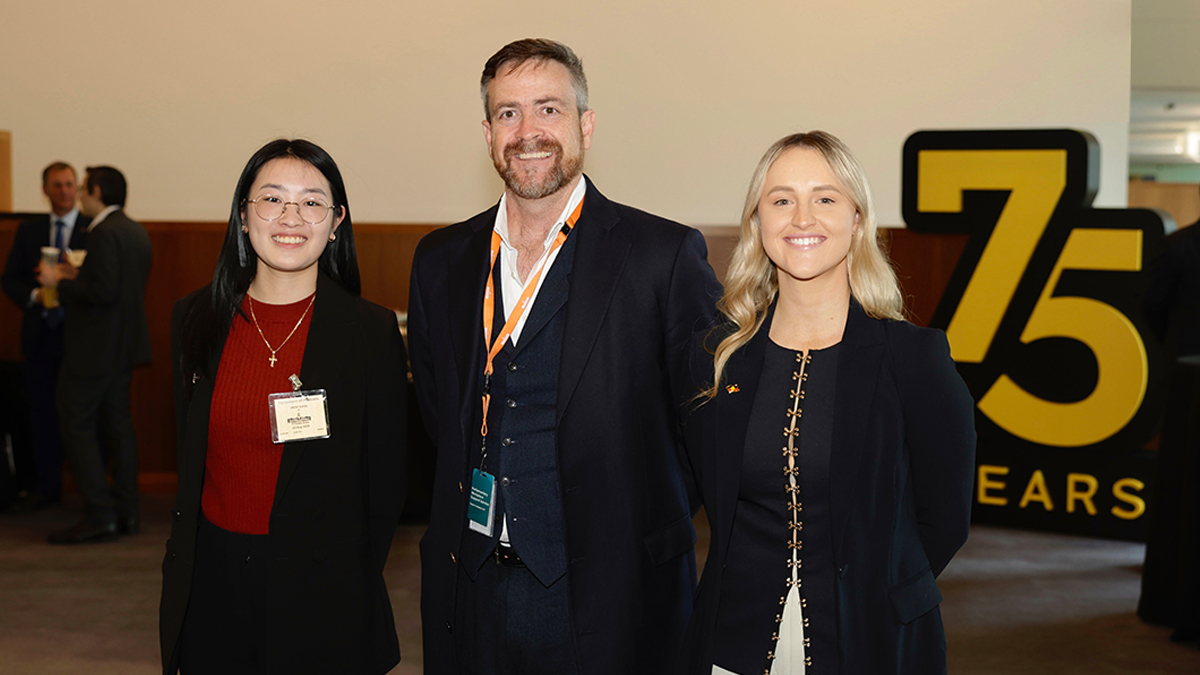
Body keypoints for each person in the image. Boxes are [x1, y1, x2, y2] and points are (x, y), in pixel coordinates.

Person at [408, 38, 721, 675]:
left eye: (548, 109)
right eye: (508, 113)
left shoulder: (660, 255)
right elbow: (442, 413)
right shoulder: (441, 260)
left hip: (612, 596)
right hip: (472, 588)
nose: (528, 132)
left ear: (585, 124)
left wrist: (631, 522)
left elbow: (705, 426)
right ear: (488, 134)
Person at [678, 132, 976, 675]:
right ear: (757, 224)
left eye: (826, 198)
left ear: (857, 220)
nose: (802, 218)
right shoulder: (718, 359)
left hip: (873, 639)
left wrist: (880, 584)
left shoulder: (914, 358)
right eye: (782, 199)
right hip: (733, 642)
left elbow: (946, 516)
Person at [158, 139, 407, 674]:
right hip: (213, 585)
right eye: (272, 199)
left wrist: (345, 574)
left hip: (324, 589)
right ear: (244, 216)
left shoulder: (369, 332)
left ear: (336, 221)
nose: (291, 216)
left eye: (312, 202)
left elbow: (385, 483)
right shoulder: (195, 319)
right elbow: (190, 458)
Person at [39, 165, 152, 544]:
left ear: (98, 191)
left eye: (85, 189)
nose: (82, 196)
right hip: (123, 348)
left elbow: (102, 293)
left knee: (77, 425)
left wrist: (59, 283)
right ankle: (127, 512)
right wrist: (77, 279)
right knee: (119, 428)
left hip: (93, 351)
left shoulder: (103, 233)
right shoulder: (135, 231)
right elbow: (116, 288)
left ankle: (100, 514)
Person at [1, 162, 91, 512]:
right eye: (57, 185)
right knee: (41, 414)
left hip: (80, 340)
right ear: (45, 189)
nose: (65, 191)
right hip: (40, 336)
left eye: (70, 184)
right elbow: (9, 279)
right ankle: (46, 487)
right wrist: (36, 295)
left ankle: (90, 491)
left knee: (83, 417)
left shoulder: (91, 230)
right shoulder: (29, 231)